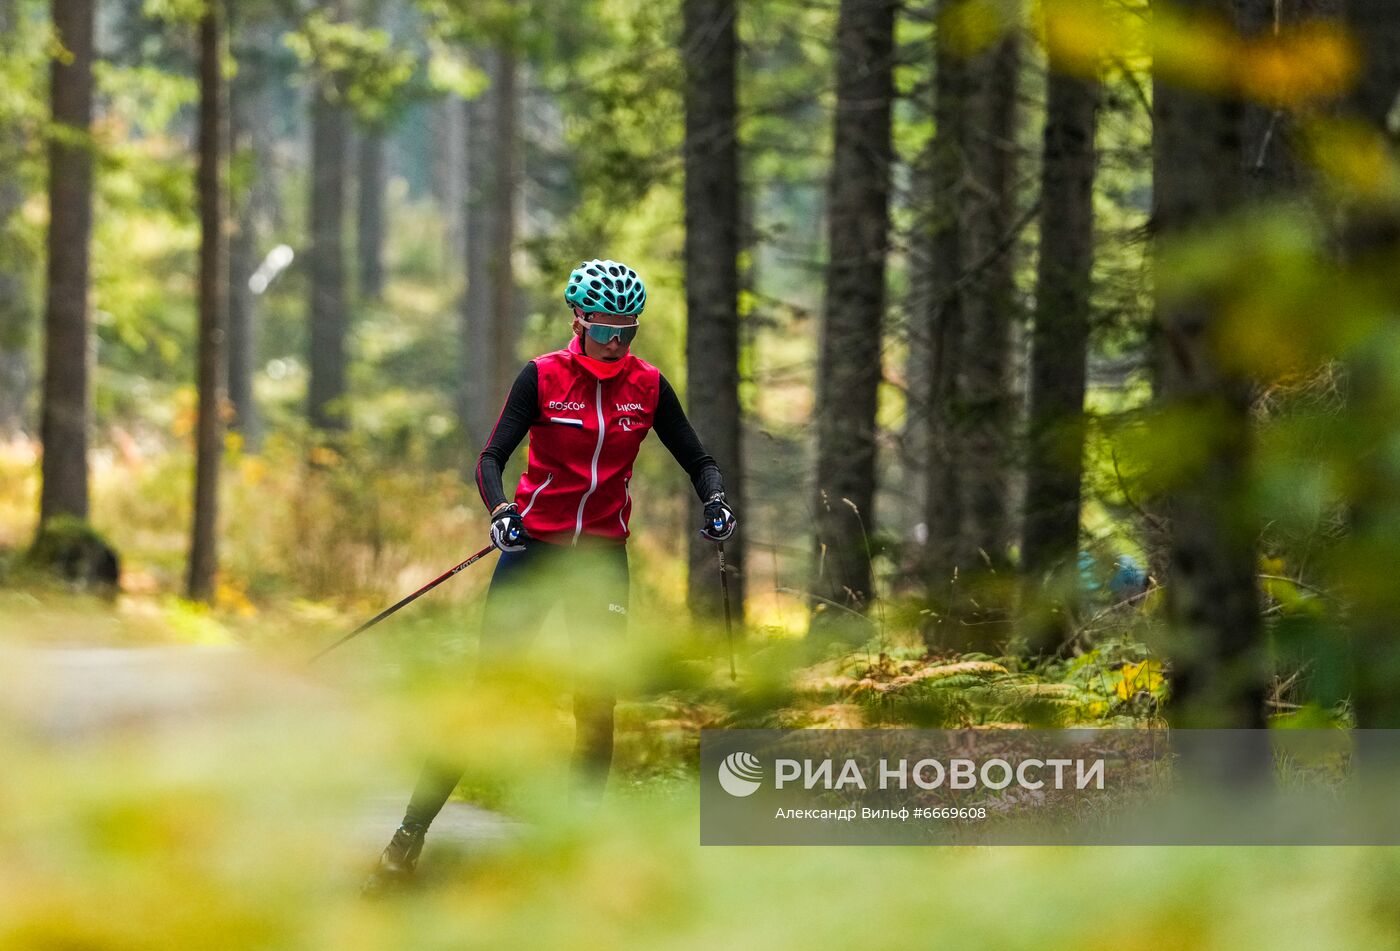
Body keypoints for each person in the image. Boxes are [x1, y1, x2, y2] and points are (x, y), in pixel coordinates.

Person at [363, 259, 737, 892]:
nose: (615, 346)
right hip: (532, 550)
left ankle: (576, 857)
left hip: (599, 560)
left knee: (595, 703)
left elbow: (698, 459)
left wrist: (716, 500)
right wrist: (503, 512)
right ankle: (408, 838)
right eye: (603, 333)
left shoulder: (647, 386)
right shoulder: (542, 377)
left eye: (628, 332)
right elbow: (490, 459)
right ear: (578, 323)